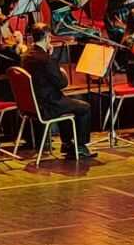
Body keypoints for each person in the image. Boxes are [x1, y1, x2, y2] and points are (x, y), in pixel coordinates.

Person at [23, 27, 96, 160]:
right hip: (48, 104)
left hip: (32, 104)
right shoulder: (46, 60)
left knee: (68, 105)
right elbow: (62, 83)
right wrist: (60, 70)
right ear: (47, 37)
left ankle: (67, 144)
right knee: (84, 107)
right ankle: (80, 147)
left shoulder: (26, 55)